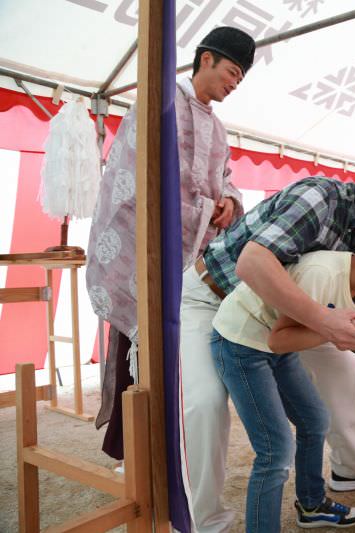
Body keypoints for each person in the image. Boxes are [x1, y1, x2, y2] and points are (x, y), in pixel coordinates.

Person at [180, 149, 355, 531]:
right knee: (205, 404)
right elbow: (252, 264)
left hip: (285, 316)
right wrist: (326, 323)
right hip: (214, 299)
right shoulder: (320, 198)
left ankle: (349, 470)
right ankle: (206, 522)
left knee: (342, 366)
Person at [85, 26, 254, 460]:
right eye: (232, 72)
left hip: (191, 259)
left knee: (184, 354)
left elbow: (226, 180)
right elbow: (131, 174)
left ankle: (171, 446)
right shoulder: (159, 105)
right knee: (139, 350)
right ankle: (135, 451)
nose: (235, 84)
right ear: (205, 59)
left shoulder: (218, 129)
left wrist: (229, 203)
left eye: (241, 79)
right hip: (148, 251)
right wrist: (194, 208)